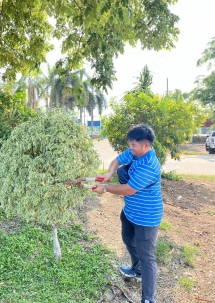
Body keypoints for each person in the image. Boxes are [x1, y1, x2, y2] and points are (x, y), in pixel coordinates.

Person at [93, 124, 163, 303]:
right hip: (130, 211)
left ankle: (148, 298)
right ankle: (136, 270)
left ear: (146, 145)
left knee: (147, 257)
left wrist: (106, 188)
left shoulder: (150, 165)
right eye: (131, 144)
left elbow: (129, 189)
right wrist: (109, 172)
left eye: (134, 145)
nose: (130, 148)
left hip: (146, 217)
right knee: (128, 239)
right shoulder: (136, 152)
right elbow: (118, 160)